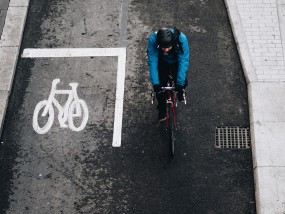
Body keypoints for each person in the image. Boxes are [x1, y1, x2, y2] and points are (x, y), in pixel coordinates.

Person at [147, 27, 190, 122]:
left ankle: (180, 92)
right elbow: (153, 61)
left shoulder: (181, 39)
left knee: (182, 82)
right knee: (160, 87)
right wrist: (156, 83)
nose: (166, 50)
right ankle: (162, 110)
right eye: (163, 47)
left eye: (168, 47)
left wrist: (180, 83)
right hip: (161, 60)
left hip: (177, 60)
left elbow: (183, 61)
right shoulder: (153, 40)